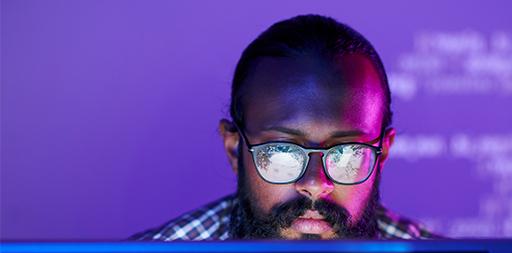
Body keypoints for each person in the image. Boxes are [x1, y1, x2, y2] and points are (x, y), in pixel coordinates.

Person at [131, 14, 435, 241]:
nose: (315, 184)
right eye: (281, 152)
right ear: (234, 149)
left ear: (382, 154)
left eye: (347, 154)